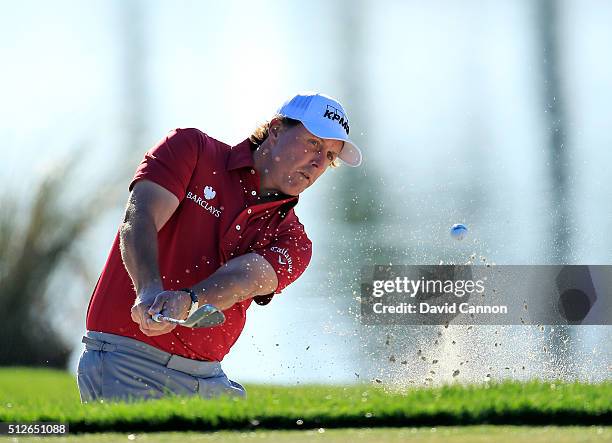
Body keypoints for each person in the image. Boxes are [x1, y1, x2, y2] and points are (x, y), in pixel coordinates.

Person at [77, 92, 362, 403]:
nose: (319, 163)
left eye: (330, 156)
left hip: (209, 379)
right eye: (313, 144)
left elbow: (246, 279)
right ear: (276, 129)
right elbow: (140, 217)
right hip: (127, 362)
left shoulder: (294, 240)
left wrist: (190, 300)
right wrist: (148, 290)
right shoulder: (192, 150)